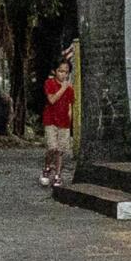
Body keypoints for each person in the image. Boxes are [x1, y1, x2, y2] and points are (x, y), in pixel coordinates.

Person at [40, 44, 77, 189]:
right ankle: (47, 167)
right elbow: (52, 100)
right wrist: (63, 87)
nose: (64, 75)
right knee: (52, 147)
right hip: (50, 120)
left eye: (66, 72)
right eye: (61, 71)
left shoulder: (70, 89)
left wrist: (70, 120)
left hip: (63, 122)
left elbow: (70, 105)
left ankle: (57, 174)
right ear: (55, 72)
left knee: (61, 150)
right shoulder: (49, 83)